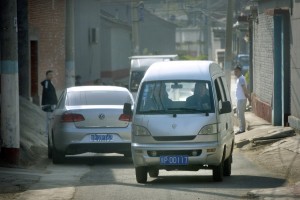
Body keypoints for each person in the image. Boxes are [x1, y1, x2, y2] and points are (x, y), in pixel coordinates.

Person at [234, 65, 250, 134]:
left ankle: (242, 129)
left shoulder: (241, 79)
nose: (235, 72)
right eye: (235, 71)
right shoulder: (239, 79)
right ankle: (241, 128)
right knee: (239, 114)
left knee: (240, 114)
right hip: (239, 99)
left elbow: (244, 89)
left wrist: (248, 98)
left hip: (242, 99)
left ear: (240, 71)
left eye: (237, 71)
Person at [41, 70, 58, 135]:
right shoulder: (47, 82)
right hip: (49, 103)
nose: (52, 76)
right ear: (47, 75)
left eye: (52, 74)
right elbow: (46, 92)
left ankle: (49, 132)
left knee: (51, 118)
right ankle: (47, 132)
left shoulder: (50, 82)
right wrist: (49, 103)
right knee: (49, 118)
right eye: (50, 75)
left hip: (52, 103)